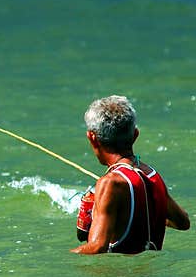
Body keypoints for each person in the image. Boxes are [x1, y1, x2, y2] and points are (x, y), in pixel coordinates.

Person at [71, 95, 189, 255]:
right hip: (151, 276)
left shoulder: (110, 183)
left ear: (92, 138)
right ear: (135, 135)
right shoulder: (152, 175)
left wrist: (58, 260)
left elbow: (98, 246)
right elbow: (183, 222)